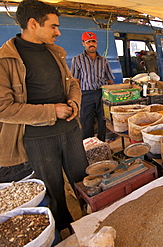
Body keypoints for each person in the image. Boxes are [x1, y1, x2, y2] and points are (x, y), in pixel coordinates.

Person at [0, 0, 88, 234]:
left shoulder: (55, 53)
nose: (58, 32)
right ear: (32, 24)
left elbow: (74, 84)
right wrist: (52, 111)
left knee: (84, 180)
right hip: (38, 139)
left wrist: (74, 101)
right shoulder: (5, 60)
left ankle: (91, 218)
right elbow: (4, 108)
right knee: (54, 191)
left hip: (70, 131)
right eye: (53, 26)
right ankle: (65, 231)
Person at [71, 31, 114, 141]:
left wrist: (113, 95)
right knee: (86, 121)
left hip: (102, 94)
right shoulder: (77, 60)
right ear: (83, 43)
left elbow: (109, 79)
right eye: (88, 42)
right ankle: (89, 146)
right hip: (86, 94)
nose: (91, 44)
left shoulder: (104, 61)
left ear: (97, 43)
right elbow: (75, 80)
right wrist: (75, 98)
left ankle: (101, 143)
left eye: (93, 41)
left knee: (103, 120)